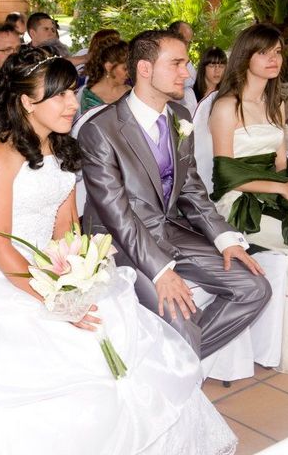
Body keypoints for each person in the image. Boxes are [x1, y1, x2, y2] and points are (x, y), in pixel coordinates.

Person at [0, 47, 238, 455]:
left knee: (118, 335)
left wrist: (80, 273)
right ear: (27, 102)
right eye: (60, 95)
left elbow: (66, 226)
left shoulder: (59, 148)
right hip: (0, 277)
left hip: (52, 268)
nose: (72, 103)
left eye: (72, 92)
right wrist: (60, 298)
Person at [78, 29, 271, 359]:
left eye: (186, 63)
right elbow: (117, 215)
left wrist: (225, 239)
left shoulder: (180, 117)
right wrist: (160, 271)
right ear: (145, 69)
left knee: (254, 288)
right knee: (181, 322)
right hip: (117, 243)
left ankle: (170, 363)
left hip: (168, 231)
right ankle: (176, 359)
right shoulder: (100, 130)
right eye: (177, 63)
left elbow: (191, 188)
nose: (187, 72)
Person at [208, 23, 288, 371]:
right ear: (246, 57)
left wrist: (285, 187)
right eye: (264, 52)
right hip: (237, 201)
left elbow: (281, 163)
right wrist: (280, 188)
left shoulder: (277, 105)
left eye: (278, 52)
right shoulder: (227, 106)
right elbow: (224, 175)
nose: (274, 59)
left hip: (273, 190)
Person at [81, 39, 130, 112]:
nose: (129, 73)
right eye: (125, 68)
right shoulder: (90, 99)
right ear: (109, 67)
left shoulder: (128, 89)